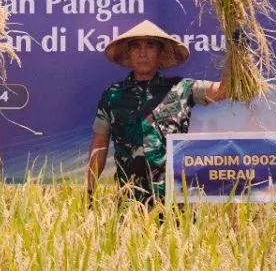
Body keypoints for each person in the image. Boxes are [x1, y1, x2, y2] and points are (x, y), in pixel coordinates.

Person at [85, 20, 225, 206]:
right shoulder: (112, 95)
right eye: (136, 47)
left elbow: (223, 91)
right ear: (129, 53)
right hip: (130, 205)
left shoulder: (182, 89)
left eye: (150, 46)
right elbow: (99, 144)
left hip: (176, 204)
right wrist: (89, 191)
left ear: (160, 54)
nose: (142, 53)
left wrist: (239, 54)